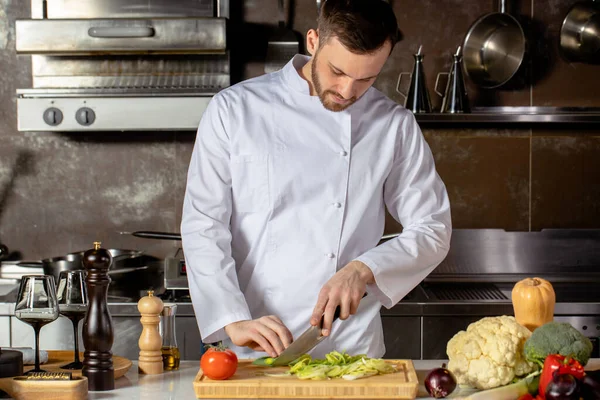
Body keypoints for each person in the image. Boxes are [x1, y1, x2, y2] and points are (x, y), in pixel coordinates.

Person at [181, 0, 452, 360]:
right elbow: (204, 224)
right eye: (337, 71)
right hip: (256, 343)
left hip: (353, 350)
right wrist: (232, 320)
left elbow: (433, 229)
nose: (347, 91)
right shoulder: (234, 110)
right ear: (313, 41)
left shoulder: (393, 124)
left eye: (367, 79)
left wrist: (363, 268)